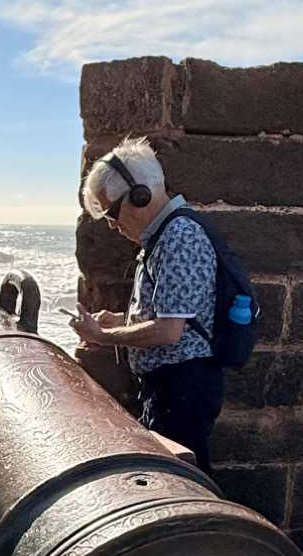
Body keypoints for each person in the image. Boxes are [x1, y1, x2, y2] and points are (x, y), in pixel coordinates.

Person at [74, 137, 224, 474]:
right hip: (171, 385)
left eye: (112, 212)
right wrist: (121, 321)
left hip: (182, 386)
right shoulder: (164, 236)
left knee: (181, 479)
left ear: (140, 196)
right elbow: (167, 311)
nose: (112, 224)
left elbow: (169, 331)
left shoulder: (179, 236)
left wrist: (103, 336)